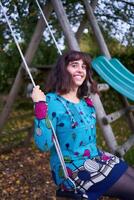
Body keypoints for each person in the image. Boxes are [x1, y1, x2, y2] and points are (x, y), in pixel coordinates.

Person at [31, 50, 134, 200]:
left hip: (95, 157)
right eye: (74, 65)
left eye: (84, 66)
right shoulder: (51, 101)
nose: (80, 70)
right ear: (63, 70)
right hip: (73, 168)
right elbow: (44, 145)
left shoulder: (86, 102)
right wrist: (40, 105)